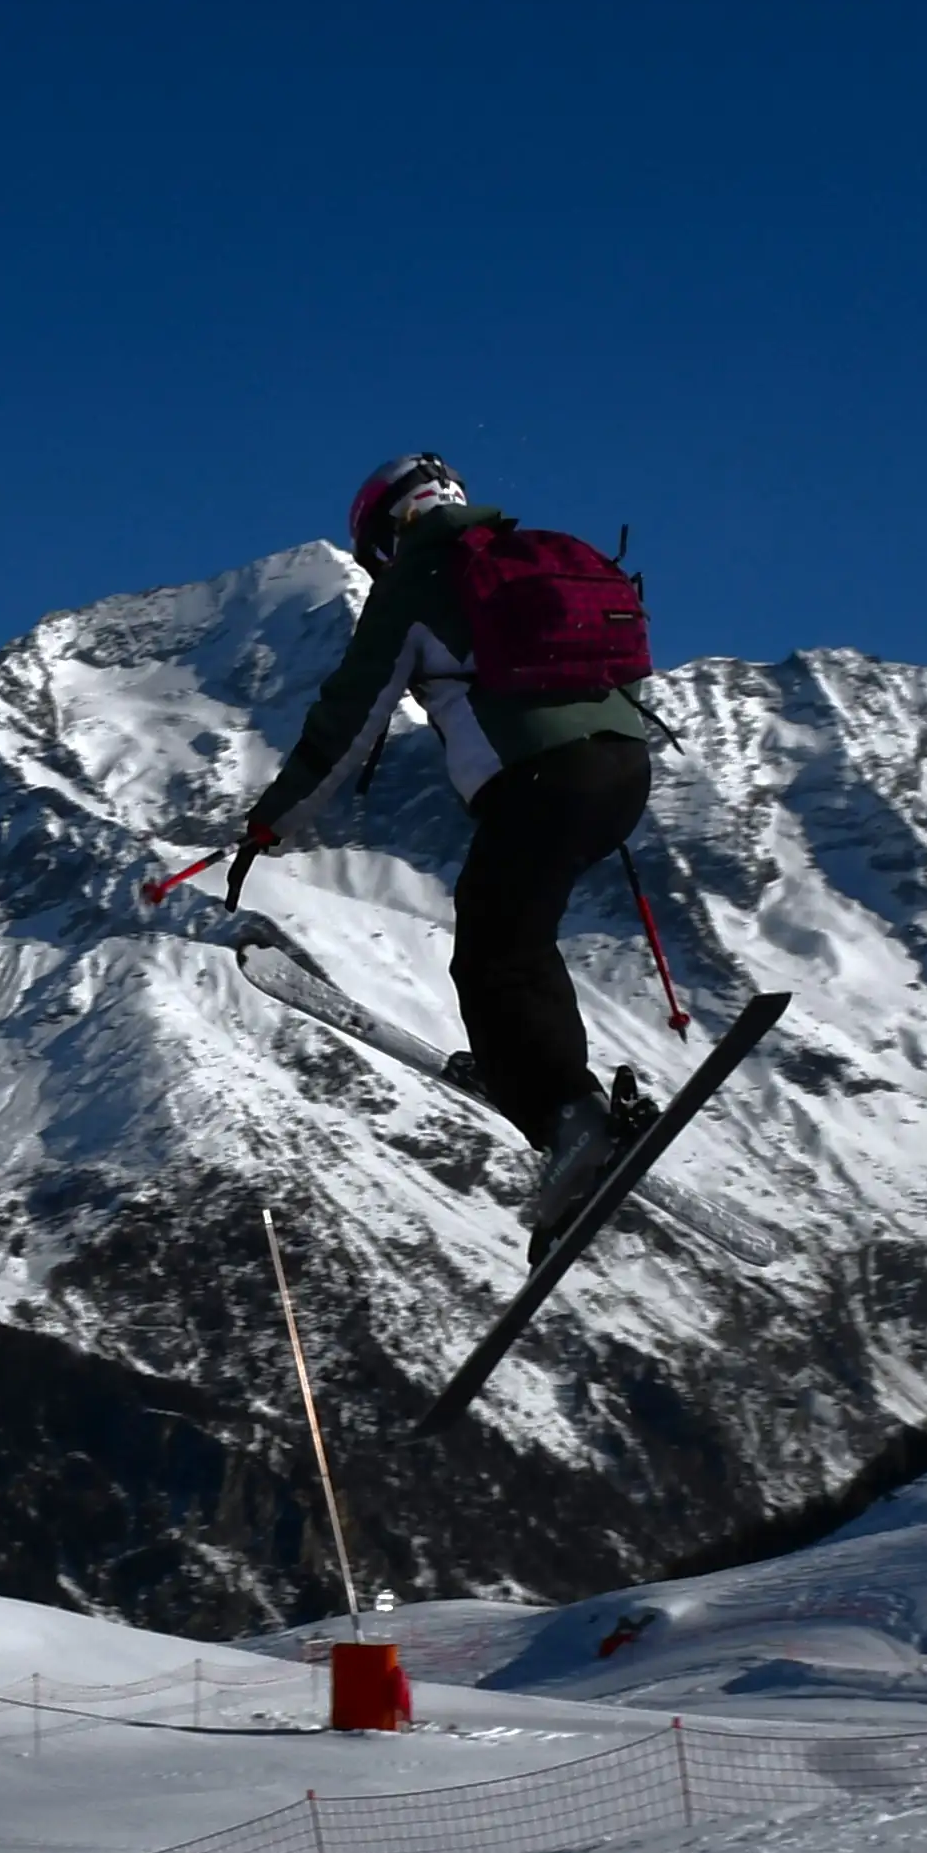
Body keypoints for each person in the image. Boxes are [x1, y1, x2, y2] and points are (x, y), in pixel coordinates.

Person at [226, 453, 653, 1262]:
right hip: (623, 771)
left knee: (491, 955)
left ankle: (572, 1122)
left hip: (540, 782)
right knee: (517, 938)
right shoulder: (540, 556)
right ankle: (556, 1090)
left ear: (388, 534)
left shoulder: (418, 586)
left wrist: (269, 826)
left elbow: (347, 720)